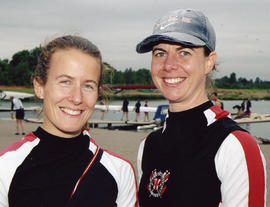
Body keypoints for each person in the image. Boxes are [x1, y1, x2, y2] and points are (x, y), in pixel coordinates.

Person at [136, 9, 266, 206]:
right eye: (160, 53)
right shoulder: (148, 146)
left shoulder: (235, 146)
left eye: (184, 52)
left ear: (208, 62)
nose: (169, 65)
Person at [0, 35, 138, 207]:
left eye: (88, 85)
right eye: (65, 82)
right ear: (39, 87)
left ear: (98, 93)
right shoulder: (5, 167)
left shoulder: (120, 171)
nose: (76, 98)